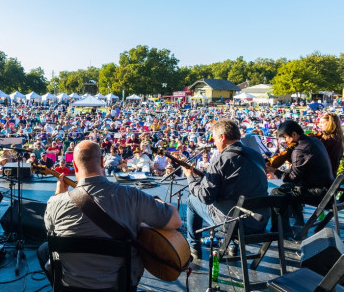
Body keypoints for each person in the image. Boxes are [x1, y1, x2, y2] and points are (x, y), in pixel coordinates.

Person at [37, 140, 181, 290]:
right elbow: (176, 221)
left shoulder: (55, 202)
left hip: (71, 286)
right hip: (118, 286)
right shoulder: (131, 196)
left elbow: (50, 229)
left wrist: (58, 195)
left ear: (74, 165)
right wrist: (158, 202)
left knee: (43, 250)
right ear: (102, 161)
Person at [183, 119, 269, 260]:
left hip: (234, 224)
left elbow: (206, 197)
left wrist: (190, 177)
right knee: (233, 202)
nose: (214, 143)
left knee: (192, 200)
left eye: (215, 138)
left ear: (222, 137)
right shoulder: (257, 155)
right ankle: (232, 246)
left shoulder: (221, 159)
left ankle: (193, 248)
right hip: (258, 221)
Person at [267, 120, 334, 237]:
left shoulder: (299, 149)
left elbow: (293, 178)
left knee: (276, 192)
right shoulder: (314, 141)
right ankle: (299, 225)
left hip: (319, 193)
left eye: (285, 138)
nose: (286, 142)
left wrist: (275, 171)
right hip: (328, 190)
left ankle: (280, 231)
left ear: (294, 134)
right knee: (289, 188)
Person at [317, 113, 344, 177]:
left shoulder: (329, 139)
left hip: (323, 175)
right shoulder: (338, 138)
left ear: (330, 123)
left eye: (322, 122)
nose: (319, 125)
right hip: (331, 174)